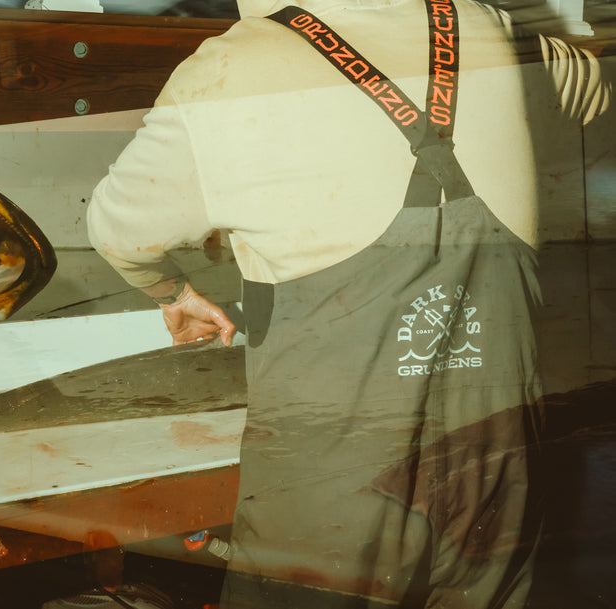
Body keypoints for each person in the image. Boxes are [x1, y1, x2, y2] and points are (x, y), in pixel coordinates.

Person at [86, 0, 610, 606]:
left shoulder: (229, 66)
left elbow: (117, 231)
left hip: (335, 488)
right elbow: (590, 89)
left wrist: (173, 293)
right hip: (495, 476)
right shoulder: (489, 26)